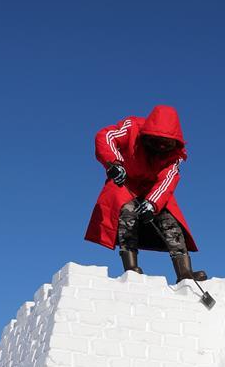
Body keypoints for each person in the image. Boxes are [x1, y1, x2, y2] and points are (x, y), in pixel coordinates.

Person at [85, 104, 207, 281]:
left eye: (166, 144)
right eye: (156, 141)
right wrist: (114, 163)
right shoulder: (132, 127)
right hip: (125, 184)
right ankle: (131, 268)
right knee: (126, 213)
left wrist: (152, 203)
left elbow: (167, 180)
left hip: (153, 191)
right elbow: (106, 136)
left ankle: (184, 273)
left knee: (171, 222)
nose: (160, 148)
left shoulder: (175, 156)